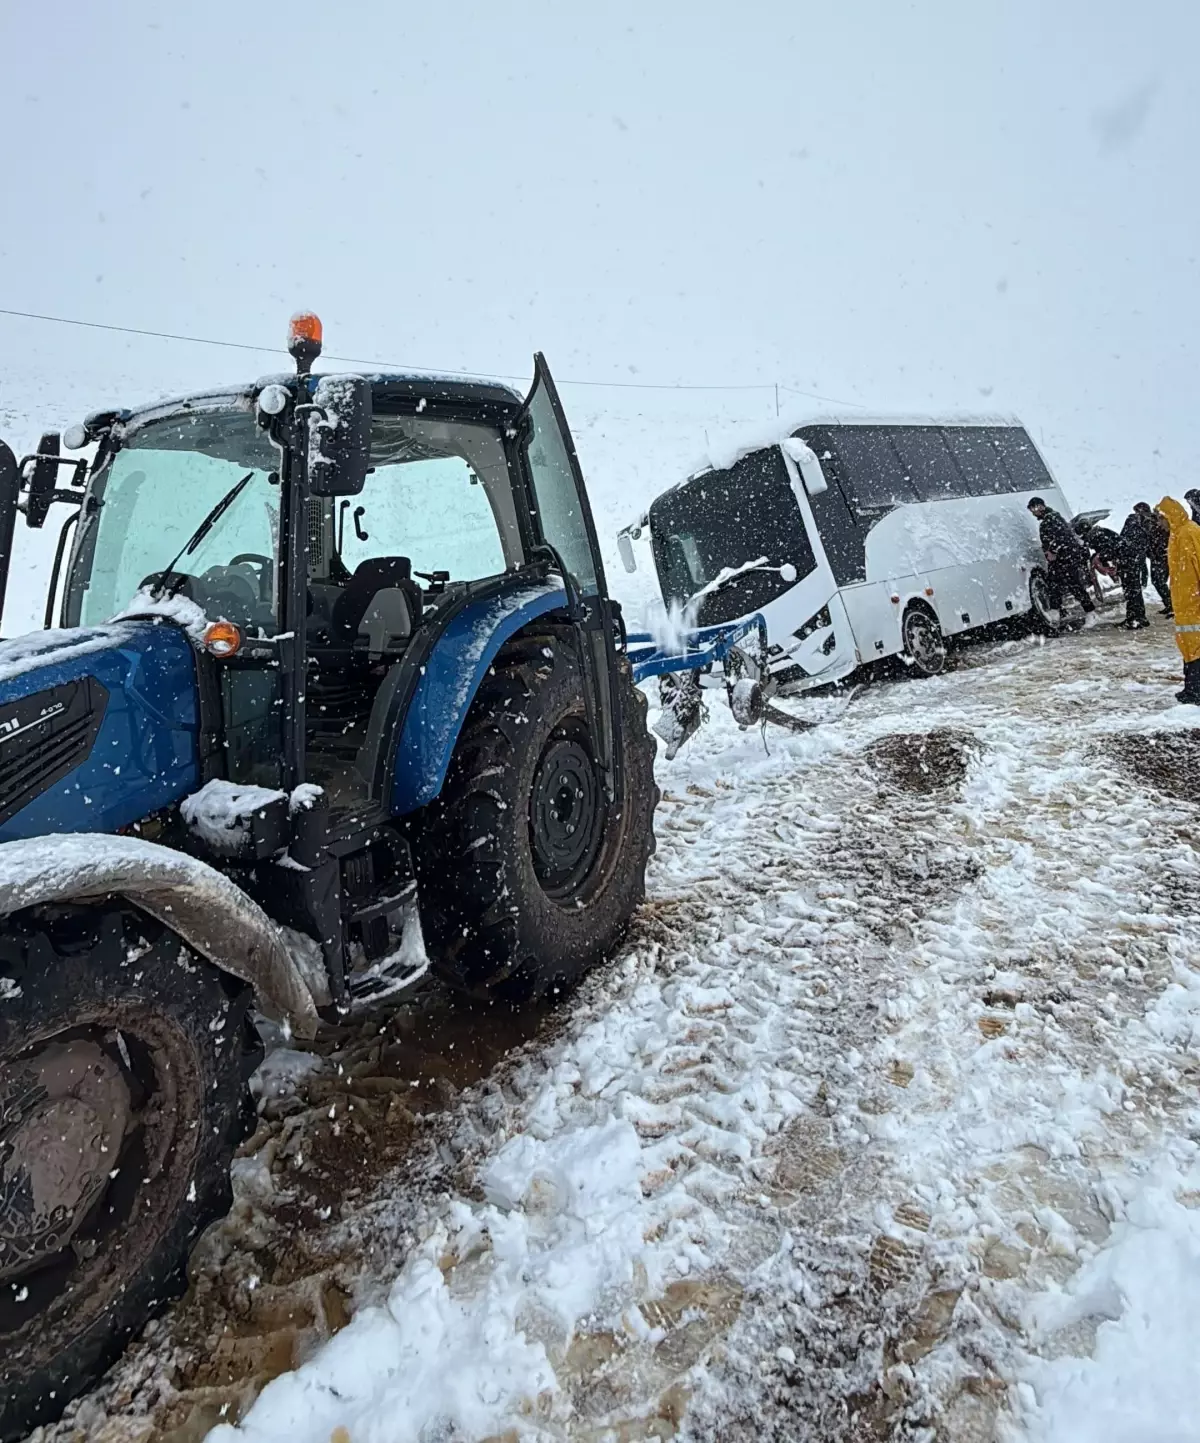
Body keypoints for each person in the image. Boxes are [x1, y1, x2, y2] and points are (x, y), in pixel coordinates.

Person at [1157, 497, 1200, 704]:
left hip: (1194, 604)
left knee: (1197, 648)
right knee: (1188, 646)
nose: (1159, 523)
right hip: (1185, 605)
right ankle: (1191, 689)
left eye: (1160, 518)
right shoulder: (1177, 534)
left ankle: (1195, 691)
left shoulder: (1189, 533)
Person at [1028, 497, 1097, 625]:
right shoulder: (1050, 518)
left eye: (1035, 508)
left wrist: (1053, 551)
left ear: (1041, 506)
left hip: (1065, 557)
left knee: (1072, 584)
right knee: (1055, 584)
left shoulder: (1052, 519)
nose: (1033, 512)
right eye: (1031, 509)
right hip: (1063, 558)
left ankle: (1090, 612)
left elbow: (1063, 537)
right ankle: (1057, 611)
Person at [1134, 501, 1172, 616]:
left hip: (1161, 556)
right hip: (1156, 556)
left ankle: (1171, 604)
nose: (1136, 515)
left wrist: (1160, 550)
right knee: (1158, 581)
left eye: (1137, 512)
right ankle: (1169, 604)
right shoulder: (1146, 521)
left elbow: (1161, 536)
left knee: (1159, 581)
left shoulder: (1153, 521)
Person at [1116, 508, 1151, 629]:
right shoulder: (1141, 531)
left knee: (1131, 593)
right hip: (1134, 565)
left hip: (1128, 566)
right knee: (1135, 592)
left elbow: (1122, 546)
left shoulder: (1129, 532)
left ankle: (1134, 618)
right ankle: (1139, 617)